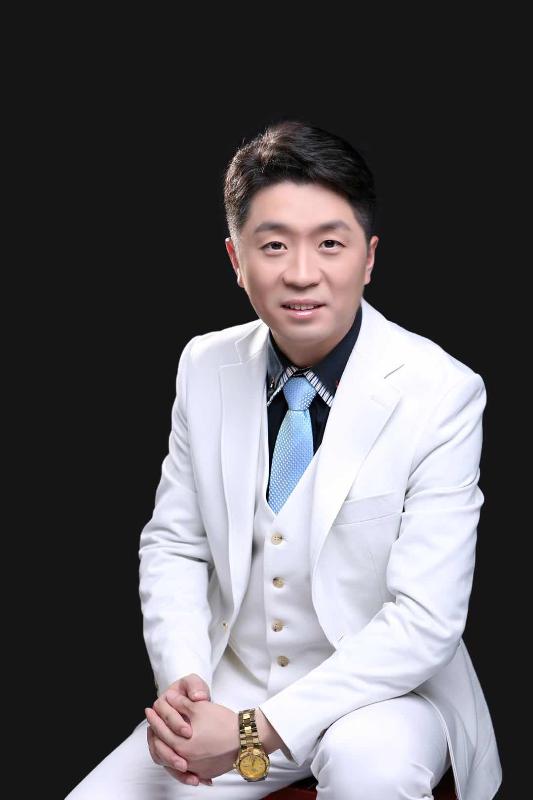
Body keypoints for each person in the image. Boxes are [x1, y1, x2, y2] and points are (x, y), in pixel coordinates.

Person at [66, 120, 502, 799]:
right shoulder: (204, 365)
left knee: (370, 770)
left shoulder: (441, 390)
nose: (301, 273)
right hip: (233, 686)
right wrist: (186, 688)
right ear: (236, 259)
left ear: (369, 258)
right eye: (273, 245)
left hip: (382, 697)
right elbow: (175, 544)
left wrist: (253, 732)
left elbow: (424, 620)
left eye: (330, 243)